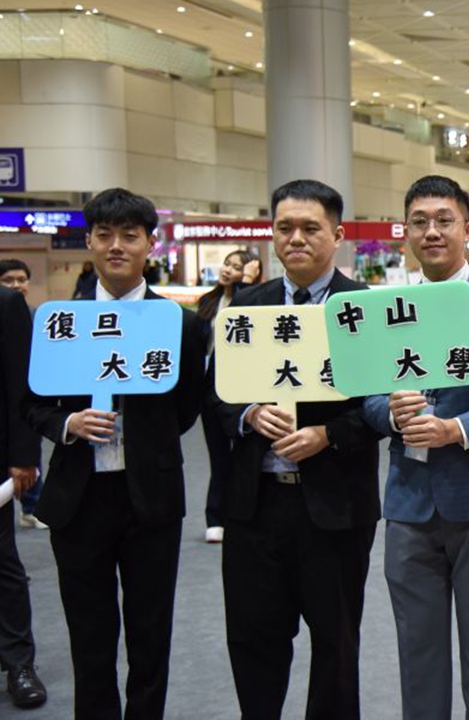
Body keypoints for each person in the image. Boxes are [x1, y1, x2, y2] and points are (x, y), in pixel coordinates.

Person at [23, 188, 207, 719]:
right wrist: (68, 423)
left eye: (130, 235)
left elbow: (187, 408)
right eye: (105, 235)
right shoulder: (60, 322)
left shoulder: (180, 325)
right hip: (80, 498)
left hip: (150, 496)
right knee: (90, 635)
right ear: (89, 242)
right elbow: (32, 404)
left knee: (151, 634)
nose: (117, 246)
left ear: (151, 243)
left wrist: (144, 434)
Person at [362, 175, 469, 719]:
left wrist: (456, 430)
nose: (431, 231)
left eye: (444, 220)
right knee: (418, 656)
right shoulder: (386, 307)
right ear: (405, 233)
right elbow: (365, 396)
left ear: (468, 230)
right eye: (419, 222)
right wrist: (387, 413)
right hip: (409, 505)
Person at [214, 179, 381, 719]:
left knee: (335, 647)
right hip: (255, 505)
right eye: (285, 228)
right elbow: (214, 393)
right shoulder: (249, 305)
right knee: (254, 641)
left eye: (311, 228)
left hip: (334, 507)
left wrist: (327, 435)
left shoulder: (364, 308)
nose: (297, 239)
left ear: (337, 234)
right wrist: (246, 414)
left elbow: (382, 408)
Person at [0, 285, 47, 709]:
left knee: (2, 561)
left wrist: (23, 457)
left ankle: (19, 662)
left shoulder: (6, 302)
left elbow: (21, 384)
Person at [194, 249, 253, 544]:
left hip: (243, 388)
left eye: (237, 266)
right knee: (218, 455)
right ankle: (214, 515)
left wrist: (248, 286)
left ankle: (237, 513)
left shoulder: (252, 300)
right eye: (227, 264)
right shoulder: (207, 302)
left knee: (242, 454)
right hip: (209, 388)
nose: (228, 270)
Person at [0, 259, 47, 530]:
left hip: (19, 418)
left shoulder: (27, 311)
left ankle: (33, 505)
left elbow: (20, 382)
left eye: (21, 279)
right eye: (9, 279)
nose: (17, 285)